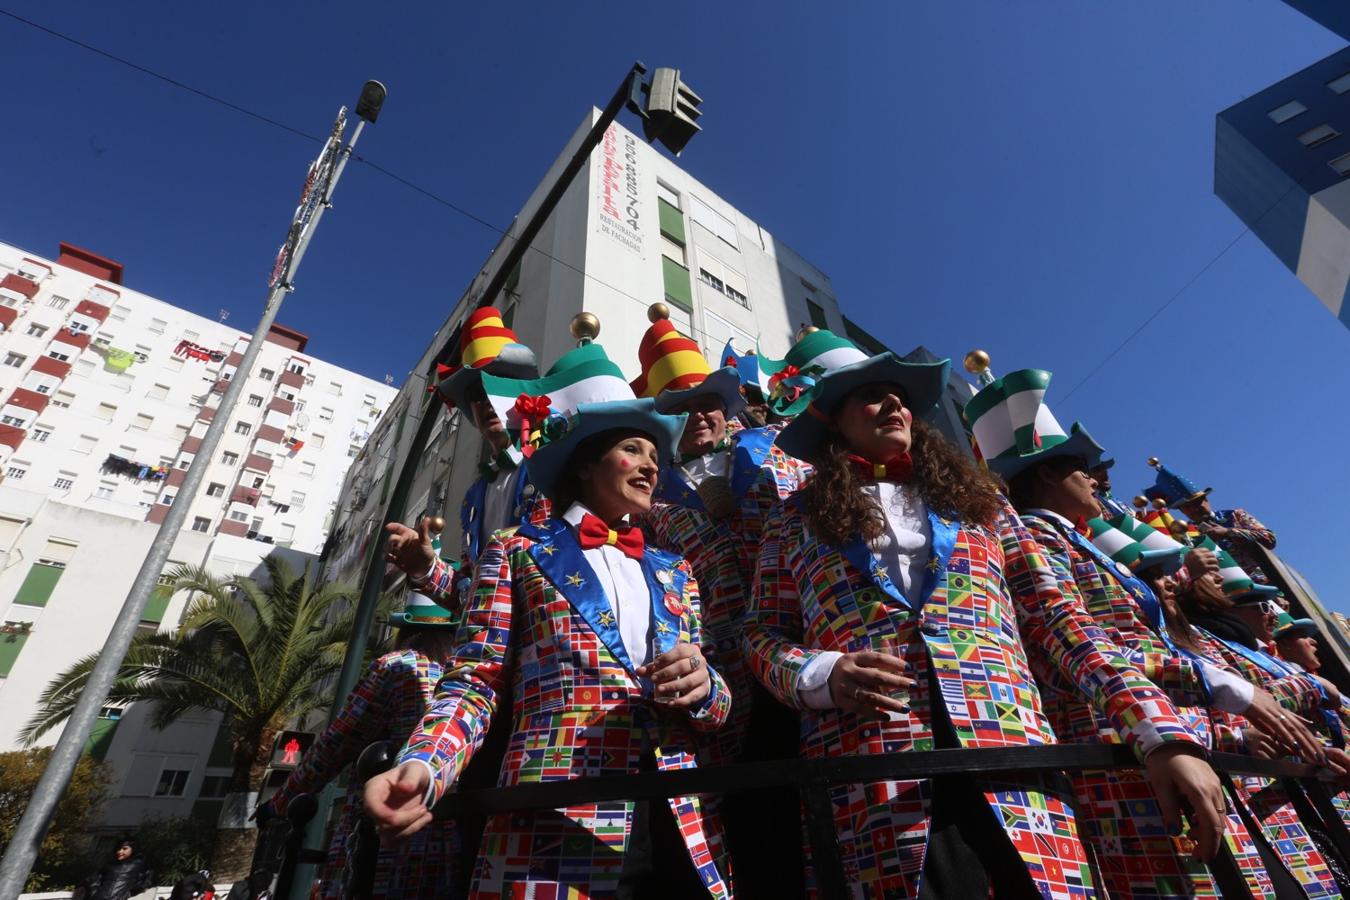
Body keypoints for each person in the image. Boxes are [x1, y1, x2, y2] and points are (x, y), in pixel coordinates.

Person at [744, 337, 1204, 899]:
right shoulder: (791, 521)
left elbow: (1059, 619)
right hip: (869, 773)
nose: (895, 406)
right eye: (872, 396)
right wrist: (821, 674)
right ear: (833, 421)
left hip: (1013, 754)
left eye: (901, 397)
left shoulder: (981, 504)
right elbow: (762, 634)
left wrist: (1157, 732)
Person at [363, 335, 733, 899]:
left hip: (682, 825)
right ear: (585, 466)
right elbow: (476, 679)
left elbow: (718, 701)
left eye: (656, 459)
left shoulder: (677, 569)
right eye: (635, 451)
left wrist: (708, 688)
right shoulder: (516, 549)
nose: (651, 468)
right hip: (556, 819)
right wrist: (426, 766)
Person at [982, 371, 1305, 898]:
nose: (1094, 481)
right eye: (1081, 471)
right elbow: (1079, 639)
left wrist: (1227, 728)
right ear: (1045, 477)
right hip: (1127, 754)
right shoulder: (1034, 535)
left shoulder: (1075, 542)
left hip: (1176, 740)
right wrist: (1225, 698)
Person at [632, 312, 809, 893]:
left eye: (710, 400)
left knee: (808, 833)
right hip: (713, 697)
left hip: (798, 669)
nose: (702, 413)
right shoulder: (647, 501)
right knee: (738, 840)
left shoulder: (777, 460)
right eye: (683, 407)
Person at [1130, 549, 1343, 899]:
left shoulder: (1204, 639)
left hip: (1272, 802)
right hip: (1208, 810)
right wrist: (1311, 686)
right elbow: (1247, 703)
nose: (1271, 614)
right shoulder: (1173, 639)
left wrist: (1313, 748)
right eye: (1259, 605)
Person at [262, 590, 463, 899]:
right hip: (449, 834)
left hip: (384, 830)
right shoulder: (463, 677)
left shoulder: (396, 666)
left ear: (406, 630)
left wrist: (281, 802)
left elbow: (339, 741)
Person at [388, 307, 547, 609]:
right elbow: (471, 596)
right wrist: (425, 567)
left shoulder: (551, 464)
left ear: (522, 393)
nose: (486, 401)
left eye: (498, 383)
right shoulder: (474, 497)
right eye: (476, 393)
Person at [1144, 458, 1278, 585]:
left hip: (1266, 582)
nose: (1194, 509)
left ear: (1206, 500)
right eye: (1187, 507)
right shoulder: (1187, 534)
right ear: (1182, 511)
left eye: (1197, 502)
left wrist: (1228, 532)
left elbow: (1269, 538)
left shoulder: (1236, 515)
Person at [80, 838, 154, 900]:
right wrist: (95, 893)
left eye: (124, 849)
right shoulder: (110, 864)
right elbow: (94, 879)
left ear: (133, 849)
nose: (120, 851)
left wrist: (130, 893)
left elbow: (147, 880)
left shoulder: (139, 864)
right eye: (118, 849)